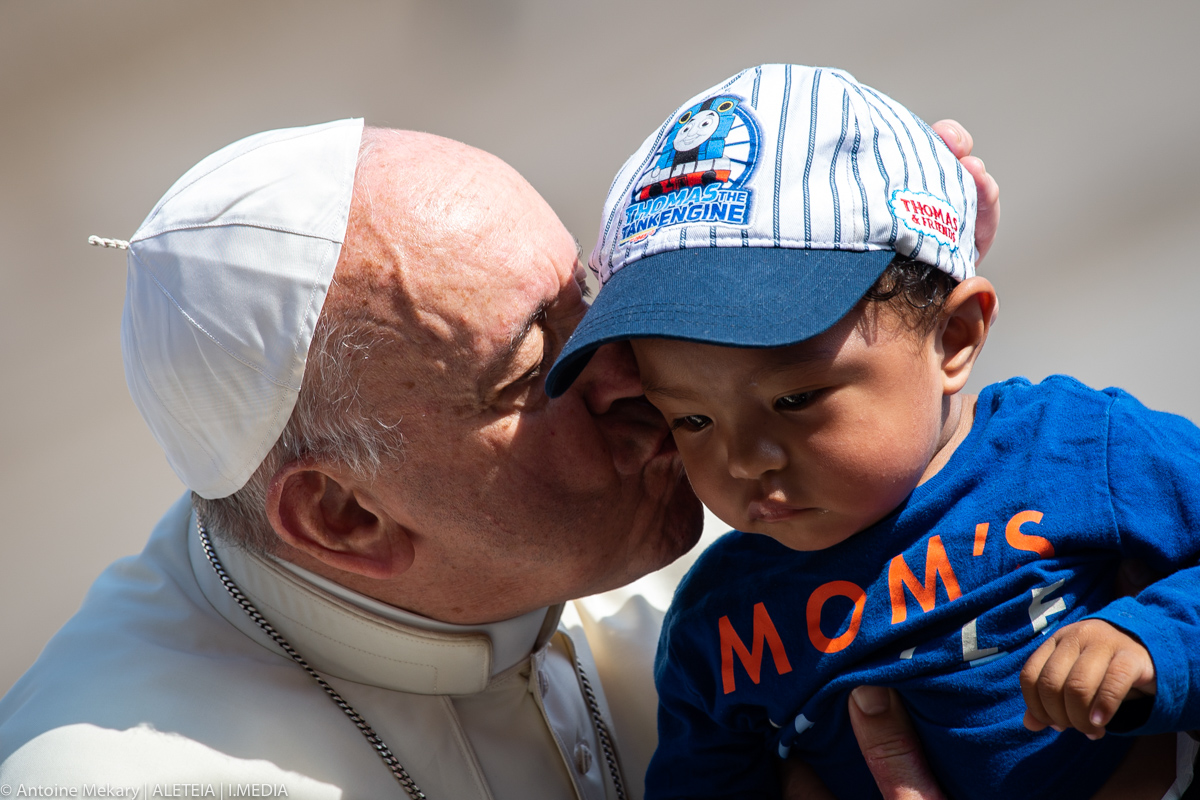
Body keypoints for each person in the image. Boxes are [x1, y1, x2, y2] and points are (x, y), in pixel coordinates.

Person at [0, 112, 997, 799]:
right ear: (348, 518)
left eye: (598, 302)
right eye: (541, 371)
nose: (643, 376)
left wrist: (886, 337)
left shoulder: (680, 473)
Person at [544, 64, 1200, 800]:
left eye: (795, 399)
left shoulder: (1079, 447)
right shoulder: (715, 625)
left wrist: (1156, 640)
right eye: (691, 418)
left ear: (954, 335)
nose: (743, 458)